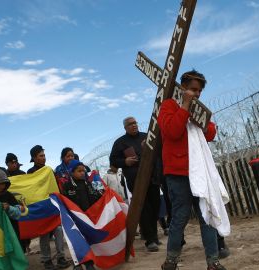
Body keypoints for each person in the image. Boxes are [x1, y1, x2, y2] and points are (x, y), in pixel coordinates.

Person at [158, 70, 227, 270]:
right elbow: (172, 131)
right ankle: (171, 261)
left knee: (207, 215)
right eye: (192, 89)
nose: (196, 94)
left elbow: (211, 132)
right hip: (178, 172)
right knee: (180, 217)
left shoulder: (199, 109)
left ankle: (213, 262)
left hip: (200, 171)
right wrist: (185, 107)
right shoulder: (169, 105)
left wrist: (204, 126)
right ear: (182, 87)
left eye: (199, 91)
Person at [110, 116, 161, 252]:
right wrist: (125, 162)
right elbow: (113, 160)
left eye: (135, 123)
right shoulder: (120, 143)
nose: (134, 125)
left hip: (152, 177)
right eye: (130, 124)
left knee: (155, 206)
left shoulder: (146, 137)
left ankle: (152, 234)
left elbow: (158, 152)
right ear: (125, 127)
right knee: (144, 208)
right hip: (136, 180)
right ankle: (150, 240)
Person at [27, 145, 71, 270]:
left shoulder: (49, 170)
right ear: (34, 158)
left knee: (58, 231)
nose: (43, 158)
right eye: (41, 156)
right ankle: (47, 260)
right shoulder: (30, 172)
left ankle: (61, 258)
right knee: (44, 234)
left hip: (52, 205)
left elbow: (56, 186)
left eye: (44, 155)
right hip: (41, 208)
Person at [60, 159, 102, 270]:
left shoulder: (87, 183)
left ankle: (89, 263)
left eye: (83, 171)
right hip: (74, 219)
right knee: (76, 241)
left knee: (87, 240)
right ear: (71, 172)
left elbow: (94, 197)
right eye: (79, 171)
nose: (83, 173)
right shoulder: (67, 186)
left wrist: (102, 195)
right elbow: (65, 202)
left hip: (87, 218)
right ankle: (77, 263)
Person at [0, 169, 26, 242]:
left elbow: (18, 213)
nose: (1, 186)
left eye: (3, 183)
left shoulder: (8, 195)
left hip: (11, 228)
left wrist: (9, 208)